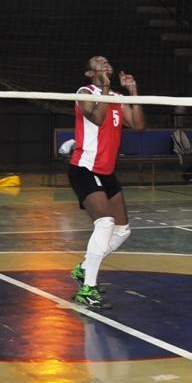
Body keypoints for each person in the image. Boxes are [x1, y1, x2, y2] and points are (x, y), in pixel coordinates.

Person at [68, 56, 144, 310]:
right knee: (105, 223)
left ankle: (84, 268)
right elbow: (97, 118)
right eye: (98, 62)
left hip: (107, 171)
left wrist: (132, 91)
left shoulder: (118, 97)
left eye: (106, 60)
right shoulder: (85, 92)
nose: (105, 62)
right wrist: (104, 89)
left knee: (123, 230)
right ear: (91, 73)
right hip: (84, 169)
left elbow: (138, 125)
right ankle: (88, 289)